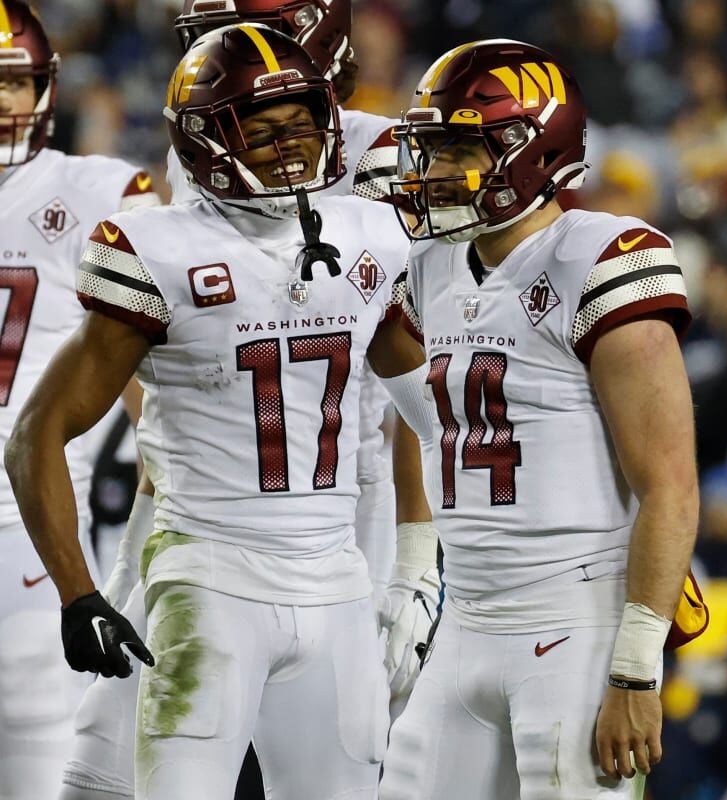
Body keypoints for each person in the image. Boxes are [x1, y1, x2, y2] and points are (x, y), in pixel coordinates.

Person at [5, 25, 432, 799]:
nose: (291, 145)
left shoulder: (370, 234)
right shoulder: (157, 250)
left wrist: (424, 556)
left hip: (338, 581)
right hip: (208, 577)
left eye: (302, 122)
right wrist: (78, 593)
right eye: (261, 130)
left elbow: (440, 415)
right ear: (203, 140)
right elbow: (38, 431)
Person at [366, 39, 706, 799]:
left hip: (576, 622)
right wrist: (415, 565)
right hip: (467, 618)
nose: (436, 173)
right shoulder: (434, 266)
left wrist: (636, 667)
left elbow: (671, 486)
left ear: (532, 149)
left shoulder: (601, 256)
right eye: (433, 149)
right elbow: (425, 415)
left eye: (459, 150)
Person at [0, 2, 160, 796]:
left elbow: (149, 372)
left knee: (38, 773)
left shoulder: (95, 192)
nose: (4, 102)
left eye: (16, 82)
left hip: (27, 539)